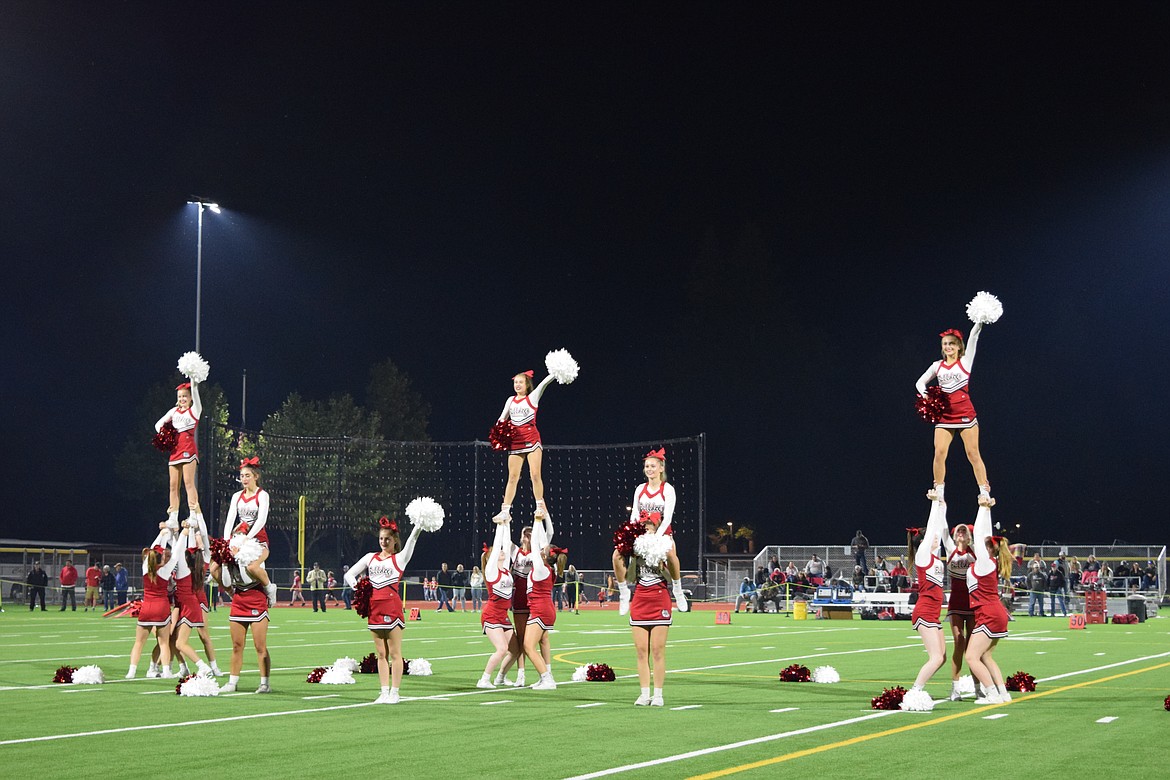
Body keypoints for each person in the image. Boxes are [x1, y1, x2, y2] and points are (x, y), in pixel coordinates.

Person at [345, 516, 425, 704]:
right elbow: (349, 574)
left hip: (392, 607)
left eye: (387, 539)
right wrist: (360, 589)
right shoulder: (369, 557)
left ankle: (395, 692)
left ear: (395, 540)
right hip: (374, 609)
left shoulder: (400, 559)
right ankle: (383, 691)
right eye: (381, 539)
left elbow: (413, 539)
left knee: (395, 653)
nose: (383, 542)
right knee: (381, 654)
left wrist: (419, 523)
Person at [916, 324, 994, 506]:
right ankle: (939, 491)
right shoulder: (937, 366)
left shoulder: (965, 362)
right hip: (945, 417)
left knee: (973, 453)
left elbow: (974, 336)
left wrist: (979, 320)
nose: (948, 347)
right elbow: (919, 383)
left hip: (966, 414)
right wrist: (926, 396)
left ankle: (984, 491)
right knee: (939, 452)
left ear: (959, 346)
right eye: (945, 344)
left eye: (952, 343)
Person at [614, 449, 687, 616]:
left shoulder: (667, 490)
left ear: (661, 468)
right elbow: (634, 514)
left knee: (671, 555)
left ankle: (677, 589)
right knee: (616, 555)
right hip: (641, 534)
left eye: (653, 466)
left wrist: (656, 537)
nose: (649, 469)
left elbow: (667, 518)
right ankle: (624, 592)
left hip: (661, 533)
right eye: (647, 466)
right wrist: (632, 534)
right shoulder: (640, 489)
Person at [492, 369, 557, 523]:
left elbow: (544, 384)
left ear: (527, 384)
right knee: (512, 477)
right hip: (515, 442)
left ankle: (539, 506)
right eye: (515, 382)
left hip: (532, 440)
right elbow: (502, 418)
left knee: (535, 475)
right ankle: (505, 511)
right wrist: (497, 433)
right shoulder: (510, 400)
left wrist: (555, 371)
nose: (518, 385)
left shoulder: (532, 398)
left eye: (521, 382)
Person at [903, 500, 949, 707]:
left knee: (943, 658)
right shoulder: (923, 556)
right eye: (933, 538)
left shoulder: (934, 557)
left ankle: (919, 688)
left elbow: (937, 528)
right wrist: (933, 505)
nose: (937, 540)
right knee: (936, 658)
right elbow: (931, 529)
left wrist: (942, 506)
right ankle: (915, 691)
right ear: (923, 541)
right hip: (925, 612)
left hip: (933, 614)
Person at [965, 505, 1012, 704]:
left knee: (971, 657)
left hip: (989, 614)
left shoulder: (986, 562)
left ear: (989, 549)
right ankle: (1003, 693)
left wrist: (982, 508)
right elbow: (984, 533)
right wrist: (986, 507)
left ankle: (992, 694)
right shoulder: (988, 562)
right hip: (995, 613)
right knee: (986, 656)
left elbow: (980, 533)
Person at [214, 539, 273, 694]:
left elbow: (248, 577)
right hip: (239, 601)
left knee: (260, 646)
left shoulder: (252, 553)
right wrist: (225, 562)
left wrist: (239, 556)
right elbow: (225, 581)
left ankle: (265, 683)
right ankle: (232, 682)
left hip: (256, 600)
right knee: (236, 646)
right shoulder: (229, 557)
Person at [629, 508, 674, 706]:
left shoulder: (667, 543)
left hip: (659, 597)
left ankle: (658, 694)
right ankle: (644, 693)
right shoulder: (635, 546)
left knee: (657, 649)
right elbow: (627, 575)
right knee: (641, 650)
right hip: (640, 597)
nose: (647, 527)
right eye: (645, 524)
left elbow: (673, 571)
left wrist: (664, 561)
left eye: (650, 524)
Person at [220, 457, 278, 607]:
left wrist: (247, 538)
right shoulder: (236, 496)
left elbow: (261, 521)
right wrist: (227, 542)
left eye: (247, 475)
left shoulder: (262, 495)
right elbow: (230, 519)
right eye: (242, 476)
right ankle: (231, 593)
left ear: (256, 476)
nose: (244, 479)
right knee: (215, 566)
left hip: (258, 540)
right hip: (237, 539)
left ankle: (270, 589)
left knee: (252, 567)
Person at [125, 529, 179, 678]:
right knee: (163, 643)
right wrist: (178, 536)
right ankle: (167, 671)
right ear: (161, 558)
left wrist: (162, 534)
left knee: (138, 643)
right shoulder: (165, 570)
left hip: (147, 608)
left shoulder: (145, 569)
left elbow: (153, 549)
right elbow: (177, 552)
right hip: (161, 608)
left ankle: (132, 671)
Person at [154, 380, 206, 532]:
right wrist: (164, 436)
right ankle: (173, 517)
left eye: (185, 396)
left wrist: (193, 380)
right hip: (175, 451)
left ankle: (193, 514)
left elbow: (196, 393)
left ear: (190, 399)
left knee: (188, 482)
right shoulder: (173, 412)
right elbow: (158, 425)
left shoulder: (195, 411)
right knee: (173, 485)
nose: (182, 399)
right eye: (180, 396)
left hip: (188, 450)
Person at [477, 519, 518, 688]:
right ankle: (484, 679)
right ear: (490, 558)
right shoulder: (491, 571)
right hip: (492, 615)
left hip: (503, 615)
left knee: (516, 651)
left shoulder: (505, 569)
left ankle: (500, 677)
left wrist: (507, 523)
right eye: (496, 552)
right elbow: (497, 543)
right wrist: (499, 526)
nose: (501, 552)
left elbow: (505, 544)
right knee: (501, 649)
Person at [942, 522, 977, 700]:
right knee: (959, 641)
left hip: (972, 603)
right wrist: (939, 503)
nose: (961, 532)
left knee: (973, 648)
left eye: (964, 530)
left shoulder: (975, 550)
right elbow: (943, 529)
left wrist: (984, 505)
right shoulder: (950, 550)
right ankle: (955, 689)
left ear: (969, 535)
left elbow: (982, 529)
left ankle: (978, 688)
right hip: (956, 602)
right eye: (959, 530)